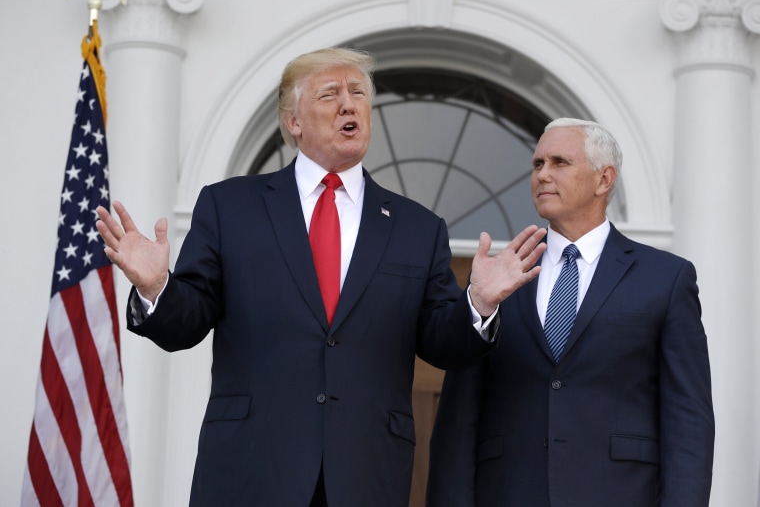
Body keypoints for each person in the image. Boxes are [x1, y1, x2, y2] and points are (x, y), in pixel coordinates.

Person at [95, 47, 547, 506]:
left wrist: (479, 303)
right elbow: (185, 322)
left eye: (358, 94)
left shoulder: (417, 227)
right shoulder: (230, 207)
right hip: (251, 467)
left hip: (366, 471)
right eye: (330, 94)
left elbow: (442, 342)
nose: (349, 104)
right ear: (294, 121)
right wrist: (156, 286)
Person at [426, 118, 715, 507]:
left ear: (603, 179)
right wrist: (480, 301)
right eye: (537, 164)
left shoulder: (666, 279)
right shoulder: (499, 278)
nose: (543, 175)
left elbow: (689, 423)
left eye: (559, 162)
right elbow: (458, 421)